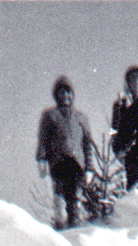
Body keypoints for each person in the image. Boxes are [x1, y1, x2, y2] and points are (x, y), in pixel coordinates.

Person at [36, 75, 95, 228]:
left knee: (75, 200)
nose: (65, 96)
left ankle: (75, 229)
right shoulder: (50, 116)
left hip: (77, 165)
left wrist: (90, 168)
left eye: (68, 92)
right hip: (59, 163)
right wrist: (41, 159)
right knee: (60, 200)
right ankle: (61, 228)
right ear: (56, 95)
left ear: (73, 95)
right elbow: (43, 139)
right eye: (61, 92)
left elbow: (87, 144)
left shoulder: (81, 118)